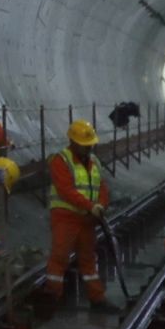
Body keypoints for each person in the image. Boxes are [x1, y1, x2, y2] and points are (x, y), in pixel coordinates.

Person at [45, 118, 110, 309]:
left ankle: (97, 299)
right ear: (72, 142)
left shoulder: (94, 161)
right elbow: (66, 190)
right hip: (66, 218)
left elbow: (102, 187)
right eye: (84, 146)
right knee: (59, 258)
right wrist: (91, 206)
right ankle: (53, 299)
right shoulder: (60, 160)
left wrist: (101, 206)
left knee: (88, 259)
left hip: (87, 220)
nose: (88, 149)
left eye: (90, 145)